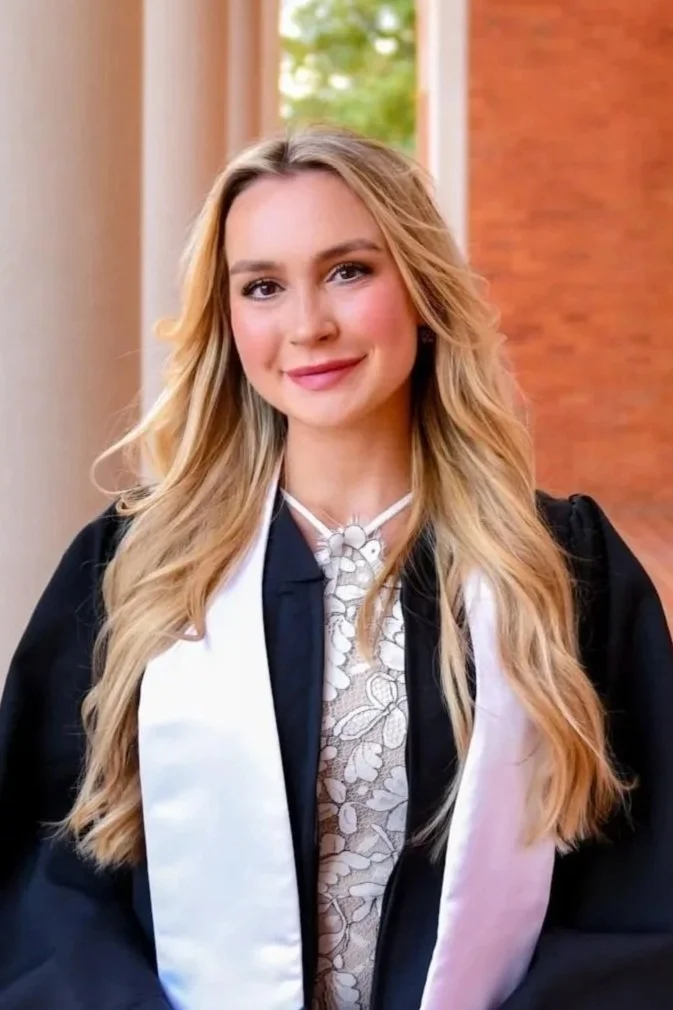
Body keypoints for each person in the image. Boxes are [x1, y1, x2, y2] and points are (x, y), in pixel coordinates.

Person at [1, 125, 672, 1010]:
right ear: (228, 318)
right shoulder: (136, 570)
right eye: (264, 287)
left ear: (420, 287)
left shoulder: (560, 571)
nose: (308, 325)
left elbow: (639, 888)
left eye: (349, 271)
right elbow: (47, 875)